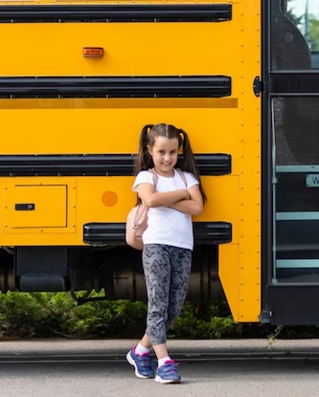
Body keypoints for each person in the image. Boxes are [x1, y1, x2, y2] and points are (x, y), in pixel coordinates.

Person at [126, 123, 207, 384]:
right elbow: (149, 200)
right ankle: (164, 362)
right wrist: (181, 195)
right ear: (150, 150)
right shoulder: (146, 177)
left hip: (183, 247)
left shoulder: (187, 178)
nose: (167, 158)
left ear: (179, 152)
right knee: (158, 304)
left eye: (172, 152)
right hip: (156, 245)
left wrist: (168, 196)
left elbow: (197, 207)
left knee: (174, 307)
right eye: (161, 152)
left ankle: (140, 351)